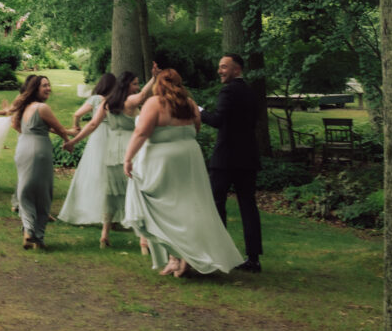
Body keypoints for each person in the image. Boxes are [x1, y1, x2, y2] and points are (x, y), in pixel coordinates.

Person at [124, 69, 244, 277]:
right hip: (190, 158)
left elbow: (142, 132)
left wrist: (128, 158)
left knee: (164, 207)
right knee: (188, 206)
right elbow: (195, 129)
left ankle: (178, 256)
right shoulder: (188, 103)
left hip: (163, 160)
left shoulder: (155, 103)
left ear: (158, 85)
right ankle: (178, 258)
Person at [64, 69, 155, 249]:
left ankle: (105, 234)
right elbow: (144, 95)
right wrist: (154, 78)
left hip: (111, 151)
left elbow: (92, 124)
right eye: (135, 83)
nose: (137, 87)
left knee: (111, 194)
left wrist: (73, 141)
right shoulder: (129, 101)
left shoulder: (107, 102)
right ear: (127, 85)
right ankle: (143, 240)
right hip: (131, 150)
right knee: (136, 192)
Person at [200, 53, 263, 273]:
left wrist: (198, 111)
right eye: (220, 67)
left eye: (224, 67)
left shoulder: (228, 91)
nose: (220, 71)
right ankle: (253, 258)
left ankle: (219, 252)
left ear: (237, 69)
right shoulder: (251, 93)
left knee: (217, 204)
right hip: (248, 158)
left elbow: (217, 120)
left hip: (226, 158)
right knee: (248, 206)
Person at [11, 75, 72, 249]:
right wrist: (68, 143)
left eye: (49, 85)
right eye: (44, 85)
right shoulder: (42, 107)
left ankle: (29, 233)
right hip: (39, 151)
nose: (48, 88)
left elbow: (15, 125)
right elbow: (59, 128)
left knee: (25, 191)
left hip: (23, 148)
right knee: (43, 193)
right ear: (35, 88)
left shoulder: (25, 107)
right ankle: (36, 234)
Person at [57, 73, 117, 226]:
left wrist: (76, 125)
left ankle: (89, 210)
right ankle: (110, 214)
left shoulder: (96, 99)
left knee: (93, 171)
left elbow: (77, 113)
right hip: (114, 136)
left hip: (98, 137)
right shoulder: (115, 101)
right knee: (110, 173)